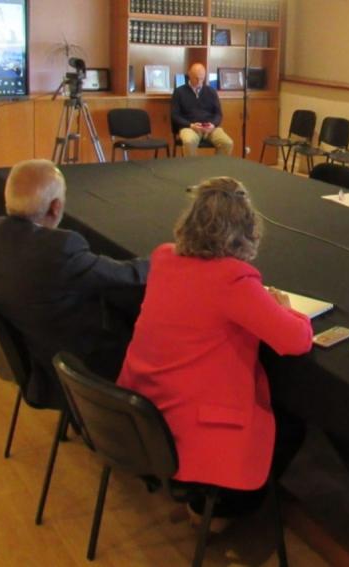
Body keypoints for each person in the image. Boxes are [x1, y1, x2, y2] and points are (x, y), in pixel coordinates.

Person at [117, 177, 312, 523]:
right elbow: (296, 340)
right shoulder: (233, 280)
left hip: (143, 404)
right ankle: (223, 508)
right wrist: (285, 308)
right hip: (188, 423)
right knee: (292, 421)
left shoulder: (163, 257)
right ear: (247, 230)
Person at [0, 159, 148, 407]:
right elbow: (126, 276)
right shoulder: (60, 249)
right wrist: (164, 257)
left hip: (23, 354)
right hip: (71, 368)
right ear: (55, 207)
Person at [170, 63, 234, 156]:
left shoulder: (211, 91)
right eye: (196, 78)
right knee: (189, 142)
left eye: (202, 78)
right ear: (189, 74)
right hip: (190, 127)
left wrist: (213, 124)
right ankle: (191, 166)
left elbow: (218, 114)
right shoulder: (179, 92)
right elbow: (175, 115)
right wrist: (191, 125)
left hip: (210, 128)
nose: (199, 81)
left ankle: (218, 165)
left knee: (227, 143)